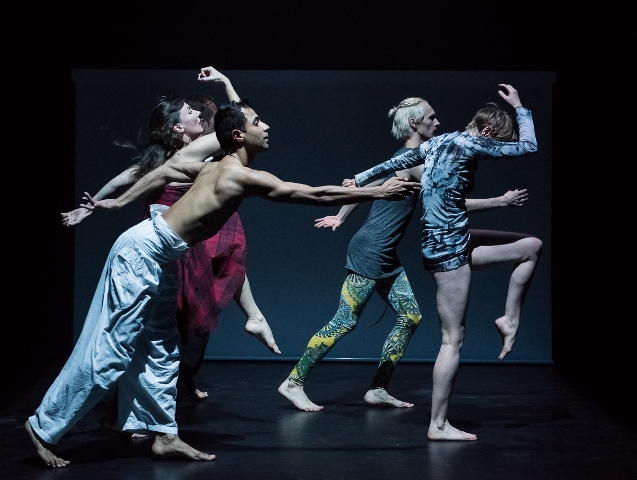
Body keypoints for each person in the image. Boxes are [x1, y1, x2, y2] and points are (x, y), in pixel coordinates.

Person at [26, 99, 420, 467]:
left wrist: (119, 202)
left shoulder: (215, 165)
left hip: (161, 256)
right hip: (141, 253)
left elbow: (165, 171)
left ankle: (163, 434)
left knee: (164, 349)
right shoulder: (236, 175)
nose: (265, 127)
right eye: (256, 123)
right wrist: (378, 190)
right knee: (112, 350)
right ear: (238, 136)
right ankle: (44, 425)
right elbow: (312, 194)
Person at [278, 97, 532, 412]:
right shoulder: (415, 162)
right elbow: (445, 201)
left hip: (384, 254)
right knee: (345, 321)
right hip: (370, 250)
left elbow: (370, 180)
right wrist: (499, 201)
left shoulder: (412, 157)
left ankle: (378, 389)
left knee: (410, 316)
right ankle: (293, 382)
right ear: (415, 123)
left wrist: (341, 217)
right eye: (432, 117)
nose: (438, 123)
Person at [62, 67, 278, 402]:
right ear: (178, 127)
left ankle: (185, 378)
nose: (195, 112)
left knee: (201, 304)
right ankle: (137, 394)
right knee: (165, 320)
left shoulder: (207, 150)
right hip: (168, 244)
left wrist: (225, 83)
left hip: (192, 240)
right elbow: (124, 180)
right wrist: (90, 208)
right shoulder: (176, 157)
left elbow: (239, 122)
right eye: (188, 113)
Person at [347, 84, 539, 441]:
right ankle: (437, 425)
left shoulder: (436, 142)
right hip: (448, 249)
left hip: (455, 240)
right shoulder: (469, 142)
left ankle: (509, 319)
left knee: (531, 246)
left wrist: (357, 179)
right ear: (485, 133)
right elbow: (528, 146)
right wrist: (519, 106)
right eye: (494, 142)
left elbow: (393, 163)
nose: (492, 148)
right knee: (452, 339)